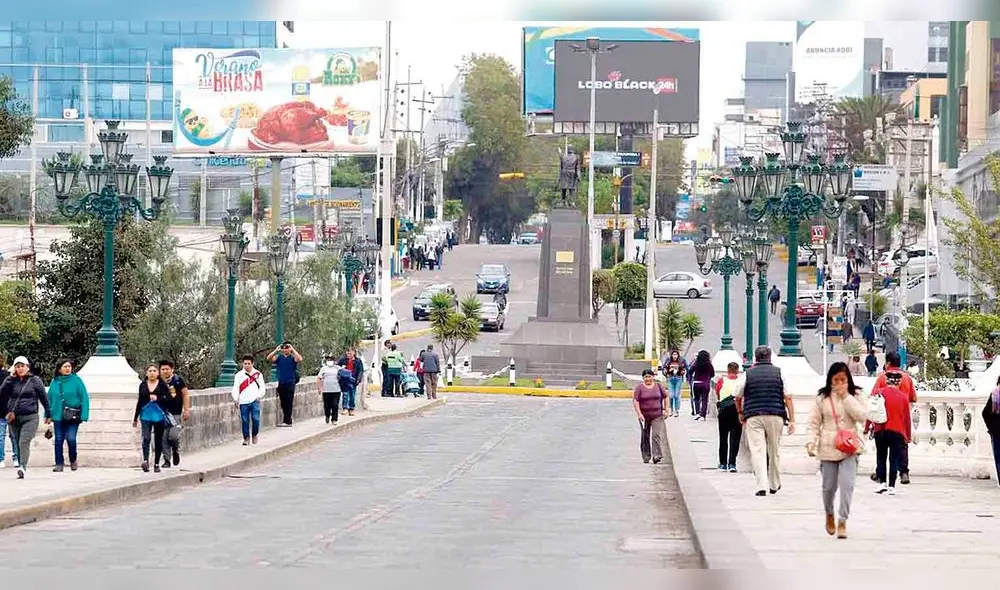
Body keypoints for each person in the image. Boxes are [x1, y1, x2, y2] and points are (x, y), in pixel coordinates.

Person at [807, 362, 867, 539]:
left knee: (847, 485)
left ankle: (843, 520)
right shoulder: (822, 397)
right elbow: (814, 422)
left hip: (849, 445)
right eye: (836, 380)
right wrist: (811, 441)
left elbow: (862, 416)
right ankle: (829, 514)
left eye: (843, 379)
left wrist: (846, 397)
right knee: (828, 487)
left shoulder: (856, 394)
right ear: (830, 380)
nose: (840, 383)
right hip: (829, 445)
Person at [735, 346, 795, 497]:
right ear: (770, 357)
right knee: (774, 450)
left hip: (753, 415)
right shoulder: (780, 373)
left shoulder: (748, 374)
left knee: (757, 450)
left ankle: (761, 485)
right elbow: (788, 396)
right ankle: (774, 483)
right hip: (776, 415)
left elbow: (737, 395)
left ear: (755, 358)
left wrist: (740, 412)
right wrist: (792, 419)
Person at [0, 356, 50, 479]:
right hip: (14, 417)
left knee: (24, 441)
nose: (20, 369)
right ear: (14, 368)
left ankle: (22, 466)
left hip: (30, 416)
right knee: (16, 441)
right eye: (17, 366)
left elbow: (44, 397)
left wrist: (48, 413)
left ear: (27, 367)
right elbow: (2, 395)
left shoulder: (35, 380)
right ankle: (21, 462)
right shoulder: (11, 381)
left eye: (22, 366)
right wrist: (9, 380)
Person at [871, 351, 916, 484]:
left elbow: (873, 397)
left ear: (888, 363)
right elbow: (913, 397)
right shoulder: (907, 378)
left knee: (882, 451)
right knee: (902, 445)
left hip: (885, 418)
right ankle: (903, 472)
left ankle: (881, 474)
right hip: (902, 416)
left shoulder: (882, 378)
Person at [866, 370, 912, 495]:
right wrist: (907, 435)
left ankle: (882, 484)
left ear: (886, 381)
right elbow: (907, 418)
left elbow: (870, 411)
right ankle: (891, 486)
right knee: (894, 459)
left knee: (881, 457)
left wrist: (866, 428)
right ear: (898, 382)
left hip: (880, 430)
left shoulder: (878, 393)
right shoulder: (903, 397)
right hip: (897, 431)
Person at [48, 358, 90, 472]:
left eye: (69, 366)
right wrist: (47, 415)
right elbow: (50, 399)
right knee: (58, 439)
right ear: (59, 369)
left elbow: (84, 398)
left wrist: (85, 415)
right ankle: (59, 463)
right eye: (65, 366)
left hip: (72, 415)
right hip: (57, 415)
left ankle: (73, 459)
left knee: (71, 439)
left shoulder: (77, 381)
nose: (68, 369)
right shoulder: (55, 382)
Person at [132, 365, 169, 473]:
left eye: (154, 371)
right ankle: (145, 460)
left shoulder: (162, 385)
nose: (152, 373)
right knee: (146, 438)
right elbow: (140, 401)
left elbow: (168, 399)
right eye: (150, 371)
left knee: (158, 440)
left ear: (158, 373)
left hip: (159, 415)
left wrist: (158, 398)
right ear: (146, 373)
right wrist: (135, 418)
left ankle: (156, 463)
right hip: (146, 415)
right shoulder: (142, 385)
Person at [158, 360, 190, 469]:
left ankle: (175, 450)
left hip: (175, 413)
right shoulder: (157, 382)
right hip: (161, 414)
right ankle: (167, 460)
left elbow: (185, 394)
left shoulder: (178, 381)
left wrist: (186, 409)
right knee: (163, 437)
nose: (165, 371)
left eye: (167, 369)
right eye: (163, 369)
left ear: (172, 370)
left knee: (173, 437)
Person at [632, 369, 668, 464]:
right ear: (643, 378)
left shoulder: (658, 386)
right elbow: (636, 401)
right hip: (644, 416)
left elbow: (666, 397)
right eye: (646, 377)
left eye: (649, 376)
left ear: (653, 377)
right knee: (645, 436)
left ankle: (657, 455)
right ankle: (646, 456)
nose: (648, 379)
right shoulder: (639, 388)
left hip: (657, 415)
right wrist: (639, 414)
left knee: (656, 435)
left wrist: (665, 409)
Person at [715, 362, 743, 472]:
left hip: (724, 410)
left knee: (723, 437)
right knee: (735, 438)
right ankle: (732, 463)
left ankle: (723, 463)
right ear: (737, 370)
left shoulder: (722, 380)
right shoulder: (741, 381)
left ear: (727, 370)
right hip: (737, 410)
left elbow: (717, 392)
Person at [232, 355, 265, 445]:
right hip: (243, 401)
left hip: (254, 400)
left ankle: (255, 434)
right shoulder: (239, 375)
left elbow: (262, 388)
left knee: (256, 419)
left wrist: (259, 396)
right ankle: (246, 438)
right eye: (245, 364)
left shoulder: (258, 374)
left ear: (252, 363)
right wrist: (235, 399)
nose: (246, 365)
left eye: (248, 364)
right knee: (245, 420)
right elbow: (235, 388)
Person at [267, 341, 302, 426]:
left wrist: (292, 349)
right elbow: (269, 358)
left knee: (289, 401)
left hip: (290, 382)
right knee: (283, 402)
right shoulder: (279, 358)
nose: (285, 349)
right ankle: (286, 419)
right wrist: (276, 350)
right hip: (281, 382)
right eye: (284, 348)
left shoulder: (292, 358)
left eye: (287, 348)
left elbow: (300, 359)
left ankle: (288, 421)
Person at [981, 375, 1000, 486]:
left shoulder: (995, 394)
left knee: (998, 457)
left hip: (997, 430)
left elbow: (985, 413)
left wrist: (991, 428)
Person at [337, 348, 364, 416]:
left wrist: (358, 379)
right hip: (344, 379)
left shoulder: (358, 361)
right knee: (345, 394)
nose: (348, 354)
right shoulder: (343, 360)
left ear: (354, 353)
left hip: (353, 379)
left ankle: (351, 409)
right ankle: (345, 408)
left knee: (352, 395)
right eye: (347, 352)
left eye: (350, 352)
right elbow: (337, 367)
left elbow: (360, 371)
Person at [689, 350, 715, 421]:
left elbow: (690, 371)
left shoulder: (696, 363)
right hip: (706, 383)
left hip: (696, 382)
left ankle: (697, 413)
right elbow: (713, 374)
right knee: (704, 400)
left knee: (696, 399)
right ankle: (703, 415)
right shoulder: (709, 364)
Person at [317, 355, 343, 425]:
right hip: (326, 390)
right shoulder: (323, 369)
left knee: (335, 405)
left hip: (336, 390)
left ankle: (334, 419)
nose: (330, 361)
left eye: (331, 360)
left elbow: (344, 376)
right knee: (327, 405)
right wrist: (319, 388)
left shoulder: (338, 368)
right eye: (328, 360)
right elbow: (319, 378)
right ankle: (327, 415)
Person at [661, 349, 687, 418]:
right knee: (671, 395)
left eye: (676, 354)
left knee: (676, 395)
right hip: (670, 378)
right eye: (673, 354)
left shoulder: (681, 360)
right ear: (671, 355)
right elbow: (664, 368)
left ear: (678, 355)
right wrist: (666, 373)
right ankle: (671, 410)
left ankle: (676, 410)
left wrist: (683, 372)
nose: (674, 356)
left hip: (678, 378)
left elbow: (686, 368)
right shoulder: (668, 360)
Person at [0, 354, 15, 469]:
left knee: (13, 435)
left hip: (10, 410)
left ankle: (15, 458)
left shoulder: (7, 376)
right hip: (6, 410)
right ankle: (4, 458)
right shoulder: (7, 375)